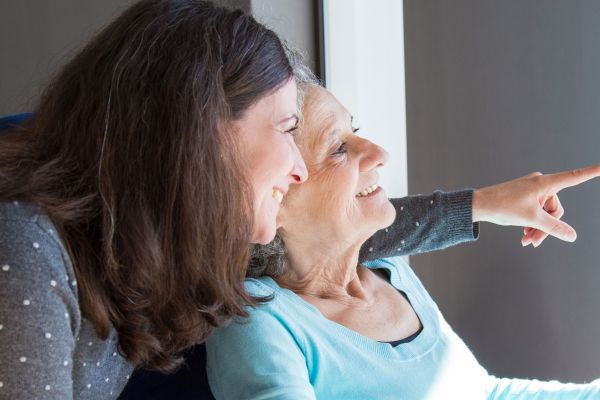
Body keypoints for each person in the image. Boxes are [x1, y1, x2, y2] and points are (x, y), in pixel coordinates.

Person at [0, 1, 589, 399]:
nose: (296, 166)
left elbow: (336, 233)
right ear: (202, 141)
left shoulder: (156, 249)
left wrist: (483, 204)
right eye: (288, 131)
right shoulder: (25, 252)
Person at [205, 84, 600, 399]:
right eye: (338, 149)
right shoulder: (259, 319)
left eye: (354, 132)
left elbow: (485, 393)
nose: (379, 153)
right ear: (277, 194)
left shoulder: (389, 273)